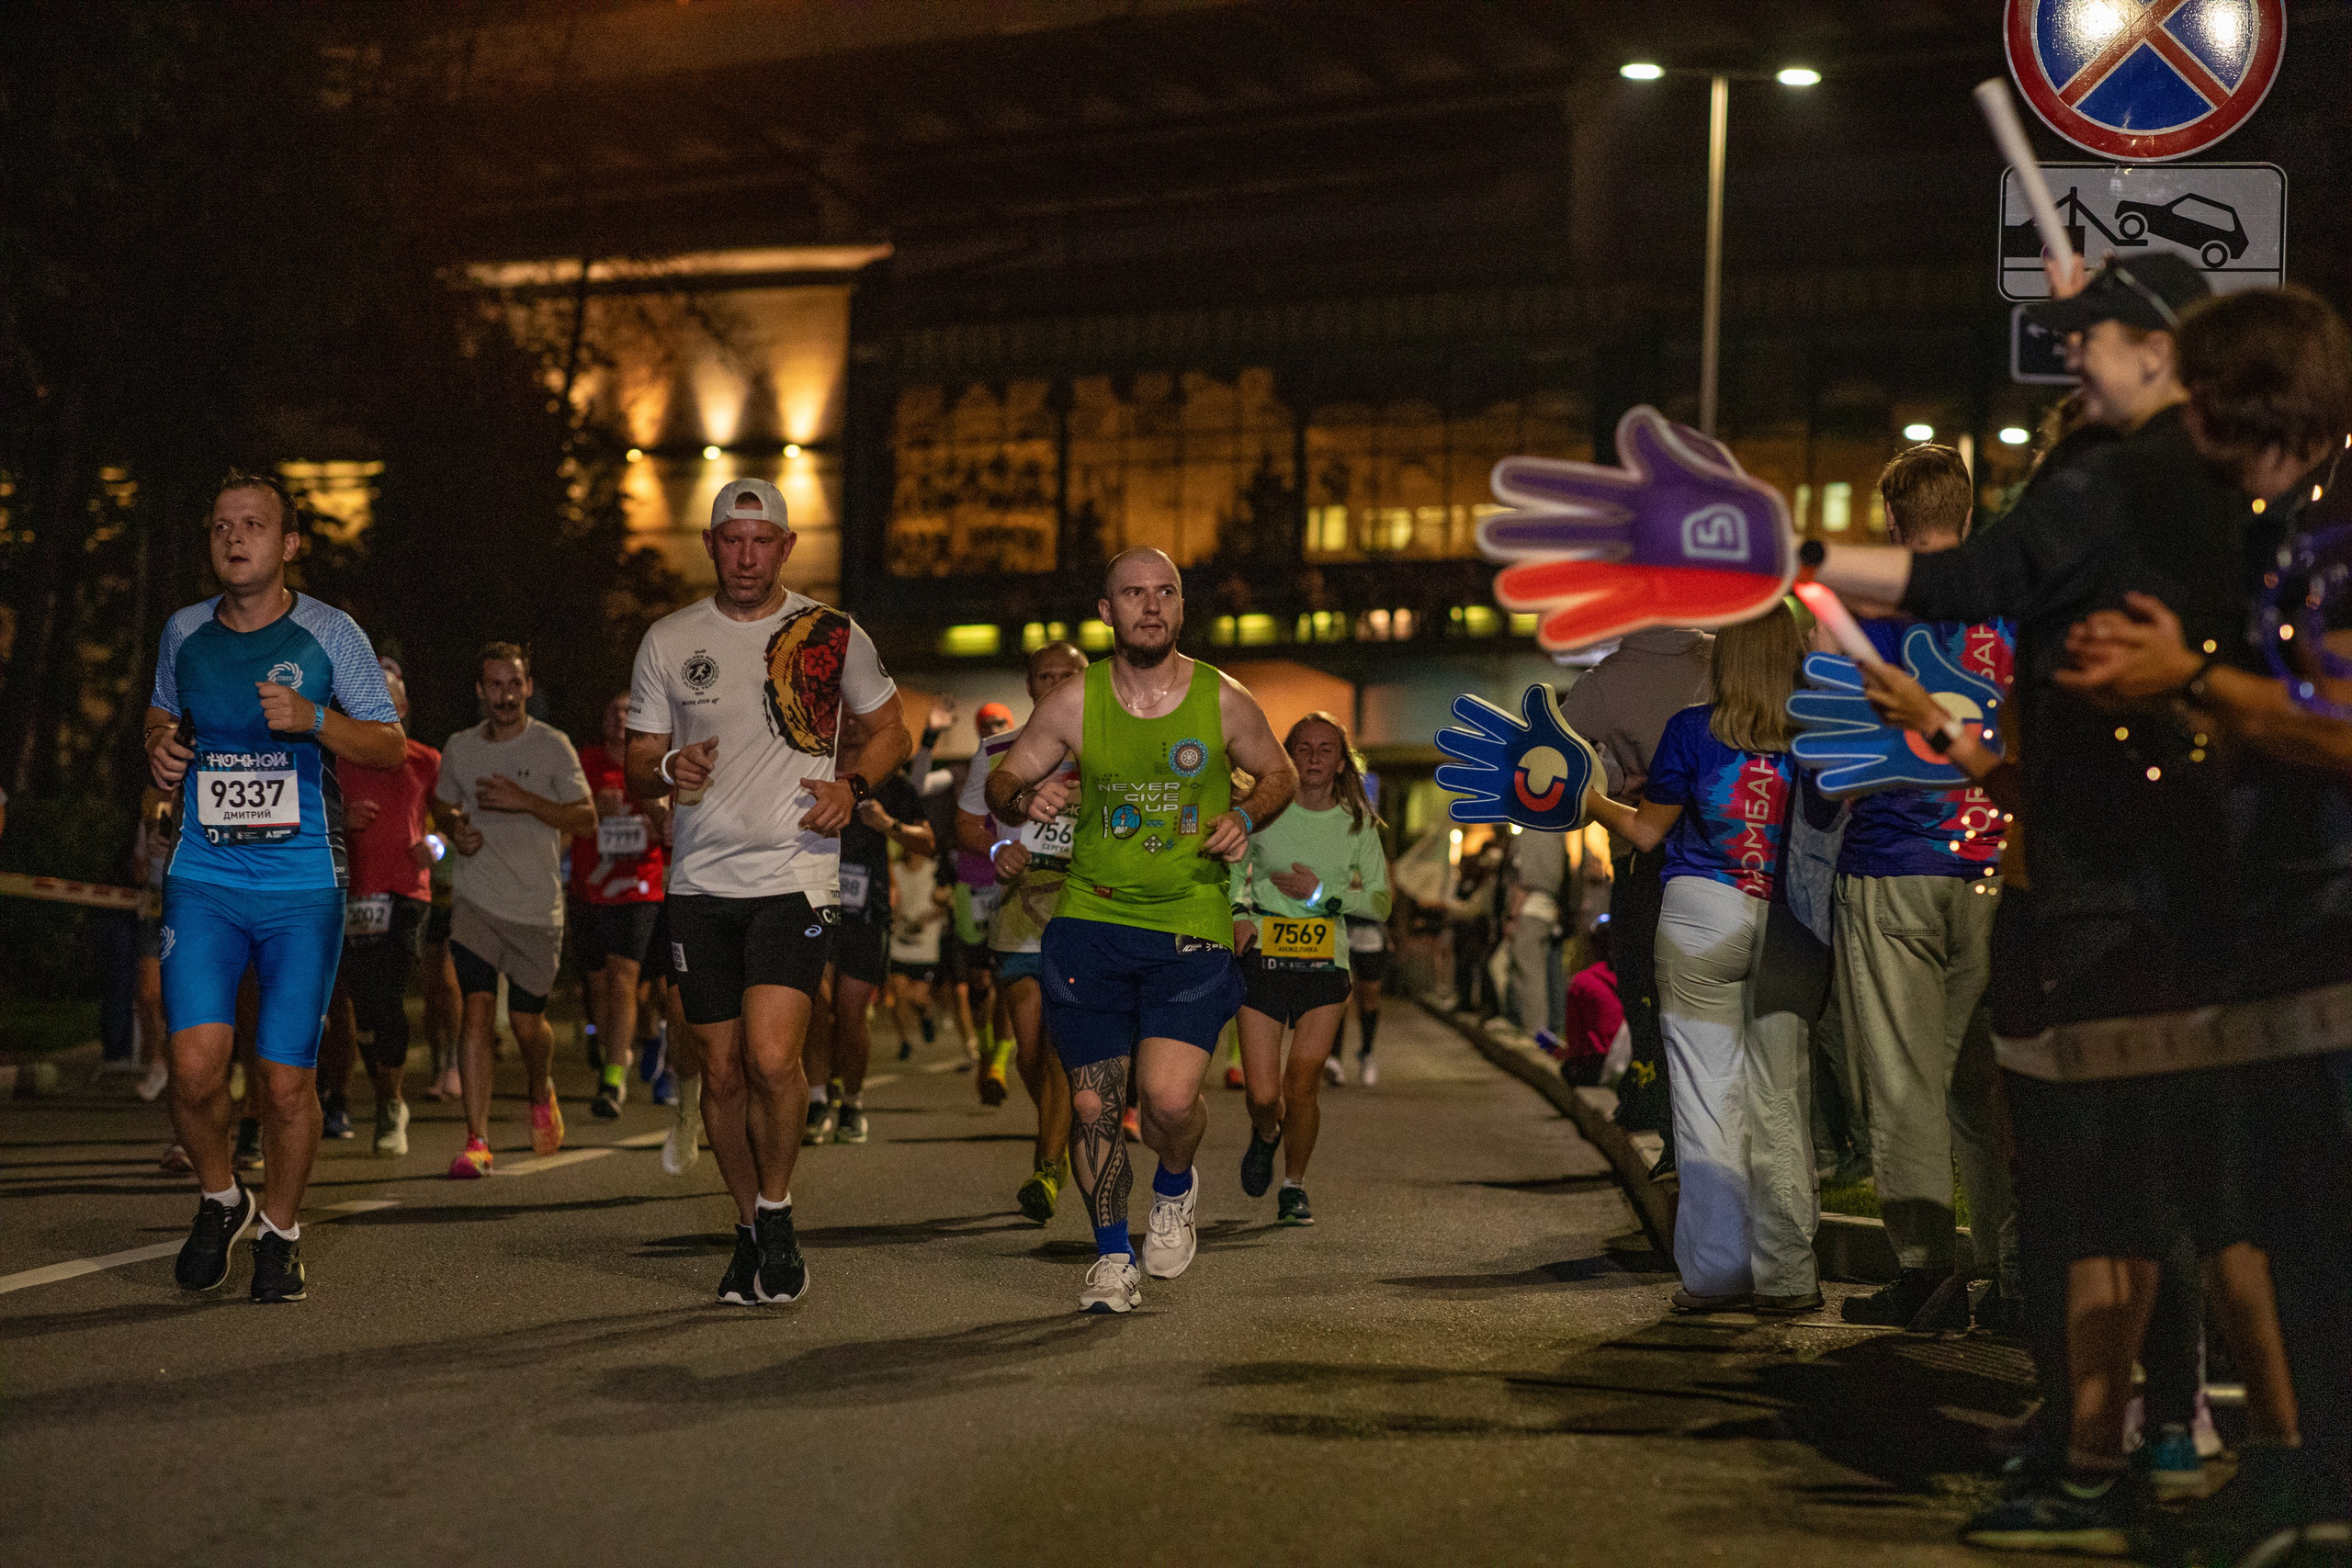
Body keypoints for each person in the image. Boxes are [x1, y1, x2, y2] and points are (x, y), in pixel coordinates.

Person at [1812, 258, 2352, 1552]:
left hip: (2266, 917)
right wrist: (1960, 735)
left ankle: (2247, 1464)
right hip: (2218, 906)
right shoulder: (2265, 531)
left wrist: (2191, 676)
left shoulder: (2306, 534)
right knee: (2189, 1200)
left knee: (2227, 1209)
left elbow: (2327, 720)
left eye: (2202, 410)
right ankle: (2248, 1469)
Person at [985, 547, 1296, 1314]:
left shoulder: (1223, 698)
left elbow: (1280, 772)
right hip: (1090, 919)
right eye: (1133, 593)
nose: (1151, 605)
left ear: (1182, 607)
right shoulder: (1074, 701)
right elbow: (1004, 778)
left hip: (1188, 917)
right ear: (1107, 610)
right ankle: (1112, 1256)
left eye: (1165, 592)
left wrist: (1245, 815)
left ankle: (1174, 1183)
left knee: (1166, 1100)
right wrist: (1023, 800)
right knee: (1094, 1105)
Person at [625, 477, 910, 1306]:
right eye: (732, 539)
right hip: (699, 881)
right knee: (718, 1072)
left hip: (794, 872)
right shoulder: (669, 639)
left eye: (762, 541)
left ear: (786, 547)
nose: (746, 556)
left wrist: (852, 787)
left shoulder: (829, 633)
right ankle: (749, 1224)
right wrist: (667, 764)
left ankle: (777, 1211)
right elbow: (639, 760)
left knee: (772, 1056)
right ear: (710, 544)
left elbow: (891, 727)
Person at [144, 469, 406, 1303]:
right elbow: (161, 713)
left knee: (286, 1080)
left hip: (301, 883)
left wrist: (315, 719)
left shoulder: (331, 633)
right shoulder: (185, 630)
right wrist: (160, 749)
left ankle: (282, 1233)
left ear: (288, 543)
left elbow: (391, 745)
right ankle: (223, 1196)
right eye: (222, 525)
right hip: (206, 875)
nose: (234, 538)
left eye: (253, 524)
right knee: (193, 1067)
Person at [1584, 604, 1824, 1318]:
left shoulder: (1690, 730)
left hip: (1700, 917)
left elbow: (1645, 833)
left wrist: (1590, 800)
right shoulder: (1816, 736)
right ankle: (1789, 1273)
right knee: (1782, 1099)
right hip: (1789, 922)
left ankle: (1718, 1272)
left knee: (1705, 1099)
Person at [1826, 445, 2018, 1331]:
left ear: (1893, 524)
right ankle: (2014, 1270)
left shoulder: (1867, 619)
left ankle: (1927, 1268)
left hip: (1891, 863)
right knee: (1986, 1083)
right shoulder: (2007, 617)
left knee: (1903, 1078)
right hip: (1992, 862)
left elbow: (1824, 746)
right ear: (1968, 516)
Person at [1556, 625, 1713, 1172]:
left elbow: (1556, 764)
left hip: (1641, 855)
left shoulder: (1602, 683)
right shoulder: (1718, 658)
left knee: (1651, 1001)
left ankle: (1675, 1135)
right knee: (1714, 1007)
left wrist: (1616, 777)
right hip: (1721, 851)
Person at [435, 643, 594, 1178]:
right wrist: (455, 827)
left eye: (514, 684)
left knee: (528, 1026)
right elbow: (442, 802)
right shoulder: (460, 747)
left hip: (535, 907)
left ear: (528, 687)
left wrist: (526, 800)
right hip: (476, 900)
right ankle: (477, 1141)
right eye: (495, 685)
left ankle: (539, 1088)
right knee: (477, 1011)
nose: (505, 696)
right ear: (480, 690)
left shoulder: (552, 746)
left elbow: (586, 818)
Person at [1230, 712, 1391, 1225]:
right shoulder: (1263, 813)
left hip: (1324, 963)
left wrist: (1322, 894)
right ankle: (1266, 1131)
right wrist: (1237, 913)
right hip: (1263, 956)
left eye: (1326, 749)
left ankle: (1294, 1186)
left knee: (1301, 1086)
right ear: (1287, 755)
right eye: (1303, 748)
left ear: (1342, 762)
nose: (1315, 758)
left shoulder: (1357, 824)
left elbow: (1382, 902)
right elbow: (1232, 866)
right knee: (1263, 1095)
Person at [957, 644, 1087, 1221]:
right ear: (1029, 684)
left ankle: (1047, 1168)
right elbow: (966, 825)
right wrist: (996, 849)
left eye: (1067, 675)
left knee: (1061, 1045)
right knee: (1031, 1049)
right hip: (1019, 915)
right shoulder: (996, 752)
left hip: (1083, 911)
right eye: (1044, 675)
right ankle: (1062, 1128)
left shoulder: (1103, 750)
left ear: (1086, 680)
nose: (1055, 684)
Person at [319, 655, 439, 1156]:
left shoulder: (425, 760)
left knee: (387, 998)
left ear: (403, 707)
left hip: (404, 892)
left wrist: (433, 847)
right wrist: (340, 818)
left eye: (385, 699)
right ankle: (376, 1094)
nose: (374, 706)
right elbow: (304, 819)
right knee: (360, 1009)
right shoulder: (332, 760)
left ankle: (391, 1104)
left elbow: (450, 824)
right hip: (346, 891)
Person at [807, 743, 928, 1146]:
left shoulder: (891, 784)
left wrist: (888, 824)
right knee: (816, 1004)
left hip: (865, 912)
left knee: (850, 1011)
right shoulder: (811, 769)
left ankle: (852, 1102)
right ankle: (816, 1099)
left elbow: (927, 841)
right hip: (812, 904)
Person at [571, 692, 669, 1120]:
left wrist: (652, 817)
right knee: (597, 986)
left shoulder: (654, 765)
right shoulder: (583, 762)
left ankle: (612, 1079)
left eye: (628, 711)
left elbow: (671, 823)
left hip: (638, 888)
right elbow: (566, 815)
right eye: (611, 711)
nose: (619, 717)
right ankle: (618, 1047)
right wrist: (596, 809)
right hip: (590, 889)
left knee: (623, 980)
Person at [888, 837, 952, 1057]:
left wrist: (930, 915)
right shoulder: (895, 871)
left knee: (917, 997)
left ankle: (926, 1013)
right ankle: (905, 1041)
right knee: (899, 994)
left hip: (925, 946)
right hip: (899, 943)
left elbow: (946, 903)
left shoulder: (934, 871)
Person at [1556, 916, 1624, 1089]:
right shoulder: (1631, 978)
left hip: (1600, 1063)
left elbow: (1575, 1038)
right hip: (1628, 1059)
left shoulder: (1583, 981)